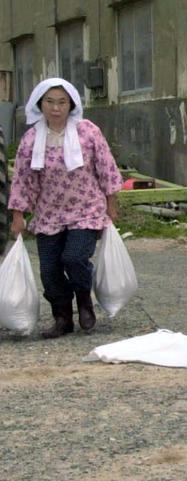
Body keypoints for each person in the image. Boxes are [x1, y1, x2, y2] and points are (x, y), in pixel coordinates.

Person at [7, 78, 122, 338]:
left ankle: (84, 301)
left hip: (86, 209)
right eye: (49, 102)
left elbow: (106, 166)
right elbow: (23, 179)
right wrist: (18, 215)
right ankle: (62, 317)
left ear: (71, 104)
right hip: (48, 213)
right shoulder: (32, 138)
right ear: (40, 104)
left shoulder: (87, 131)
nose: (56, 108)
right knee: (49, 269)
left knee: (74, 257)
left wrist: (111, 202)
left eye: (62, 102)